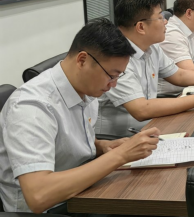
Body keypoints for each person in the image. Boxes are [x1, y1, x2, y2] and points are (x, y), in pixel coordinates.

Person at [0, 19, 160, 213]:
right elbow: (38, 195)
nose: (114, 84)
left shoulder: (86, 88)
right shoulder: (32, 107)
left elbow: (65, 142)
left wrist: (101, 146)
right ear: (82, 60)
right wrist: (120, 155)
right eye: (111, 75)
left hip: (81, 191)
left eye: (119, 76)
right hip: (49, 208)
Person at [95, 0, 194, 138]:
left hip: (152, 125)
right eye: (160, 17)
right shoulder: (116, 57)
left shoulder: (152, 47)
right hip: (122, 138)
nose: (166, 21)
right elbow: (141, 109)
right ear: (141, 27)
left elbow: (179, 75)